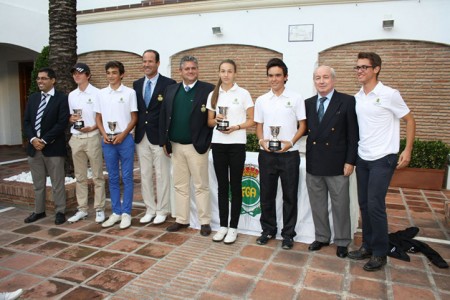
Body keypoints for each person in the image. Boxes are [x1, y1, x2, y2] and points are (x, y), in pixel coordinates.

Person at [348, 52, 416, 271]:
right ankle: (367, 245)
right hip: (363, 157)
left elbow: (410, 120)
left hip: (384, 158)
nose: (360, 71)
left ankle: (380, 252)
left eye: (364, 67)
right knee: (365, 205)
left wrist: (407, 149)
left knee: (376, 205)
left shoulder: (389, 94)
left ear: (376, 69)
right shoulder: (357, 97)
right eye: (357, 67)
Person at [304, 65, 359, 258]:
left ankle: (342, 241)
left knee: (340, 204)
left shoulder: (346, 101)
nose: (321, 81)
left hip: (337, 163)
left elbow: (353, 135)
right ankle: (321, 236)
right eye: (317, 77)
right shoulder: (308, 103)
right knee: (317, 203)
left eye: (325, 77)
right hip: (314, 161)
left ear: (333, 80)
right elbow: (302, 128)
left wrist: (350, 161)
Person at [254, 58, 306, 249]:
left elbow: (303, 125)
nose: (274, 79)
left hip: (289, 154)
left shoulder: (296, 98)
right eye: (270, 76)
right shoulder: (261, 100)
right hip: (266, 154)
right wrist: (261, 141)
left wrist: (291, 142)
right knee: (267, 195)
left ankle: (288, 234)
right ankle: (268, 230)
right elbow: (259, 126)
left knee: (290, 196)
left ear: (285, 77)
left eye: (278, 75)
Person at [159, 55, 214, 236]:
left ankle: (205, 221)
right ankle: (182, 219)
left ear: (197, 70)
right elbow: (164, 116)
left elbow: (213, 117)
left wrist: (208, 142)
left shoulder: (209, 90)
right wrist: (164, 142)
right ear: (180, 71)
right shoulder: (171, 90)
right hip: (176, 146)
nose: (191, 71)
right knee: (180, 185)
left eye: (193, 68)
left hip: (196, 147)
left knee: (201, 185)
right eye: (187, 69)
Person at [206, 59, 255, 244]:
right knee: (222, 187)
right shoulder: (213, 95)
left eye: (229, 71)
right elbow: (209, 122)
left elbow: (252, 119)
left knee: (235, 186)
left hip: (236, 145)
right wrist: (217, 120)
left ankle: (233, 227)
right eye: (223, 71)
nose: (226, 74)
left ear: (235, 73)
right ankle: (223, 226)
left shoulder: (243, 94)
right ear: (219, 73)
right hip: (218, 144)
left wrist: (236, 127)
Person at [134, 50, 176, 225]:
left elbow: (169, 113)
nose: (146, 64)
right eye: (144, 61)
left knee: (162, 174)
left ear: (158, 63)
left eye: (150, 61)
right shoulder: (136, 84)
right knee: (144, 174)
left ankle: (162, 209)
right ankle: (150, 208)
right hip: (141, 136)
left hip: (159, 138)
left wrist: (167, 138)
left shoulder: (169, 84)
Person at [23, 67, 70, 225]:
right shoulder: (33, 98)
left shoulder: (61, 98)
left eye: (43, 78)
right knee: (38, 183)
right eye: (38, 78)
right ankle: (39, 211)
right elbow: (27, 122)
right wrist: (33, 140)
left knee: (57, 183)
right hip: (33, 149)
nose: (39, 81)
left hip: (53, 148)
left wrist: (44, 141)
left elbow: (61, 123)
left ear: (53, 80)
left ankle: (60, 211)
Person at [94, 60, 138, 230]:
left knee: (126, 177)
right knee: (112, 177)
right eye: (108, 73)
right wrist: (104, 134)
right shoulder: (101, 94)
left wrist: (123, 135)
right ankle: (116, 212)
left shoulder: (129, 93)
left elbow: (134, 117)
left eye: (114, 72)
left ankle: (126, 213)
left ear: (121, 74)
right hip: (107, 141)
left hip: (125, 140)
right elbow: (98, 117)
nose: (111, 76)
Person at [67, 63, 106, 224]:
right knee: (80, 176)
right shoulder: (71, 95)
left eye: (80, 73)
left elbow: (101, 117)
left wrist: (94, 126)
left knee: (97, 175)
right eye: (74, 73)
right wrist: (71, 119)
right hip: (76, 138)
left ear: (88, 75)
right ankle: (82, 209)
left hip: (93, 137)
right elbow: (71, 116)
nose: (77, 76)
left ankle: (99, 209)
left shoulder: (98, 93)